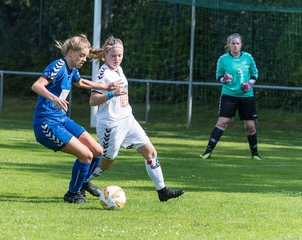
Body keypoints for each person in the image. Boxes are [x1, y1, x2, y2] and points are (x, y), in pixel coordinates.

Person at [87, 36, 185, 202]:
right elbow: (93, 101)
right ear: (105, 55)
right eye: (113, 56)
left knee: (151, 153)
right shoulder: (103, 74)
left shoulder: (119, 69)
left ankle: (162, 191)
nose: (117, 59)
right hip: (111, 124)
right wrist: (111, 94)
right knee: (107, 162)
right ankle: (83, 181)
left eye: (120, 55)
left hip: (128, 120)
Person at [31, 34, 118, 204]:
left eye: (86, 56)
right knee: (85, 155)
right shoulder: (58, 65)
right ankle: (73, 193)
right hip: (46, 123)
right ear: (70, 52)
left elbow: (82, 83)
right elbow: (37, 85)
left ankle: (83, 182)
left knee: (98, 151)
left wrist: (104, 86)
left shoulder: (72, 70)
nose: (84, 59)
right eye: (82, 55)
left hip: (61, 119)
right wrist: (54, 98)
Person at [200, 33, 262, 160]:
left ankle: (255, 154)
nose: (235, 46)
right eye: (233, 43)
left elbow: (254, 74)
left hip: (246, 96)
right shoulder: (223, 59)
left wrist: (249, 84)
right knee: (222, 123)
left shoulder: (248, 58)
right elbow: (218, 76)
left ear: (241, 45)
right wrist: (224, 79)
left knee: (250, 126)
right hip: (229, 95)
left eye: (238, 43)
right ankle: (207, 151)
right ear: (229, 45)